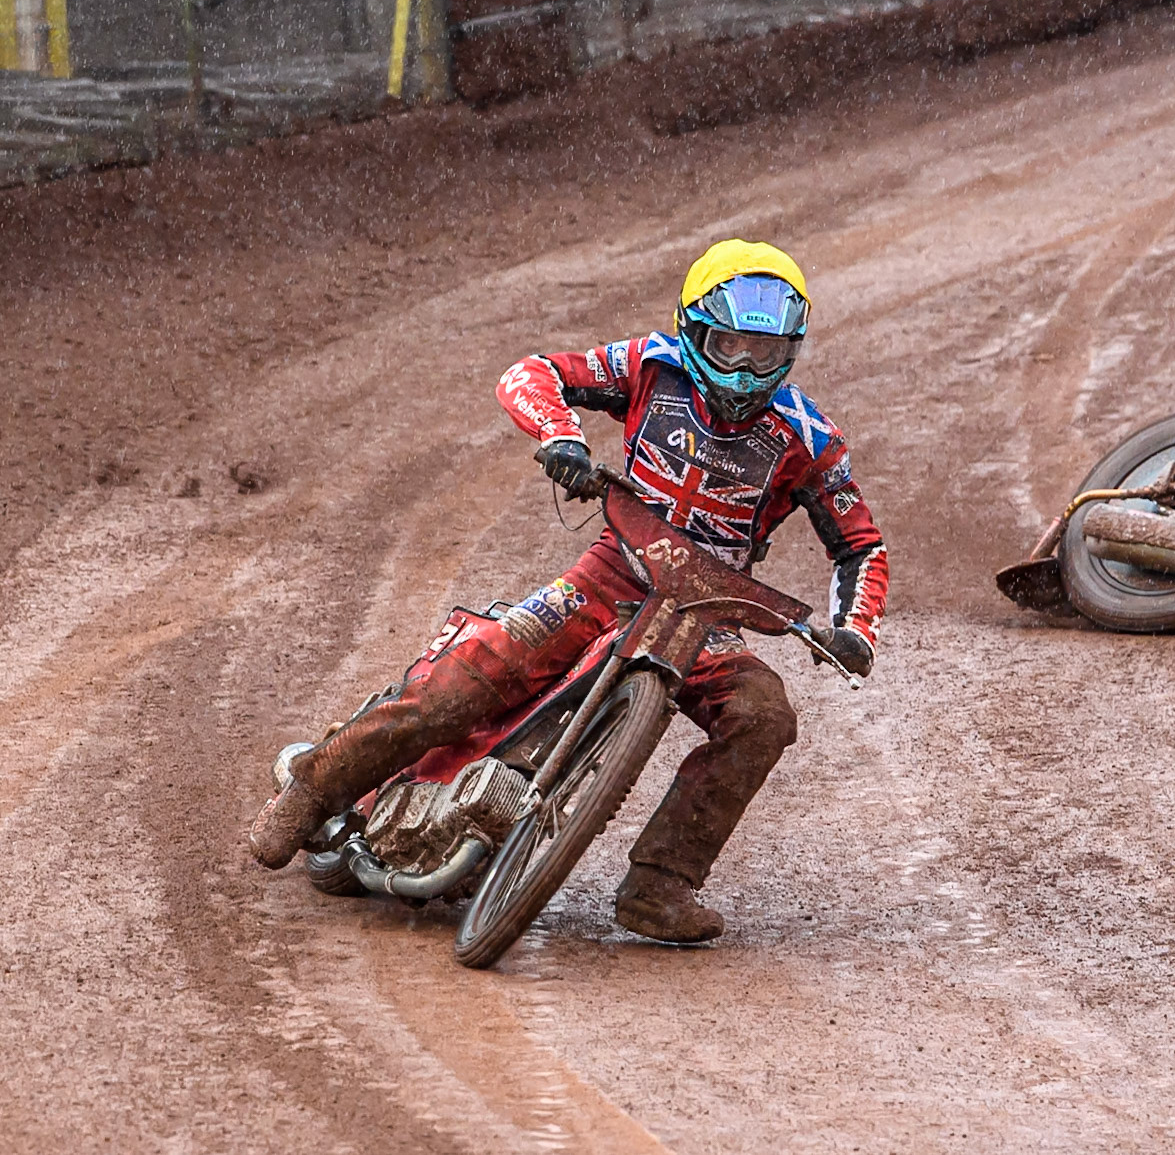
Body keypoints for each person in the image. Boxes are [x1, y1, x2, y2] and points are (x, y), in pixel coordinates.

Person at [249, 239, 888, 943]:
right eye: (728, 343)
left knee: (765, 715)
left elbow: (860, 544)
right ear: (692, 329)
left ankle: (660, 885)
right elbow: (533, 372)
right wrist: (563, 438)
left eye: (761, 353)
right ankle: (314, 787)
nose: (740, 368)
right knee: (463, 686)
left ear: (790, 351)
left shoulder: (811, 437)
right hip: (611, 573)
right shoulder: (651, 364)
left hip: (709, 610)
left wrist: (855, 627)